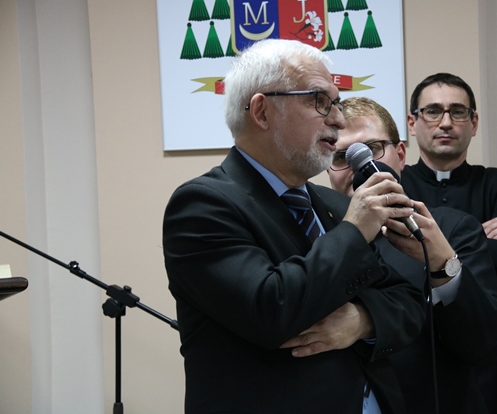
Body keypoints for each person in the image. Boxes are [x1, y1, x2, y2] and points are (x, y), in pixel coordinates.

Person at [162, 39, 425, 414]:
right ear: (262, 111)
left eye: (336, 102)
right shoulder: (202, 206)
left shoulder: (335, 205)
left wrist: (363, 320)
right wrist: (353, 231)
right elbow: (271, 309)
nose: (338, 119)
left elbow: (406, 301)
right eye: (319, 101)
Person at [327, 97, 497, 413]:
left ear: (400, 156)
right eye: (342, 156)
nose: (358, 166)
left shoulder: (452, 229)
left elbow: (483, 347)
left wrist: (442, 262)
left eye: (372, 149)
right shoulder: (317, 239)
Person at [402, 73, 497, 413]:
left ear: (473, 122)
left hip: (483, 353)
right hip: (411, 355)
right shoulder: (396, 183)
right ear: (412, 123)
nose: (446, 123)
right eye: (433, 111)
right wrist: (476, 238)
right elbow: (389, 261)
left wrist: (428, 247)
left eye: (458, 112)